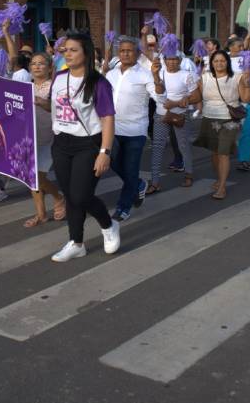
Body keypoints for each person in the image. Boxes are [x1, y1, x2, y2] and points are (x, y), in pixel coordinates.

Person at [45, 32, 119, 262]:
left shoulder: (99, 83)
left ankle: (109, 224)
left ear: (86, 53)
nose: (68, 53)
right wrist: (38, 103)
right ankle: (76, 243)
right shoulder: (59, 77)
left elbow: (107, 118)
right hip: (61, 143)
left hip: (88, 144)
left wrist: (104, 152)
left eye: (73, 49)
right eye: (65, 50)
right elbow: (55, 107)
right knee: (70, 195)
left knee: (80, 195)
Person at [103, 37, 161, 222]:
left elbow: (160, 97)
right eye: (122, 50)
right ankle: (138, 184)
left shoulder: (145, 74)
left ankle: (123, 207)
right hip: (112, 128)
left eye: (129, 50)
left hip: (136, 131)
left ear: (137, 53)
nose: (125, 53)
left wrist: (157, 77)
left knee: (131, 168)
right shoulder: (111, 74)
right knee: (111, 162)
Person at [193, 50, 250, 200]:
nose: (219, 64)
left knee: (223, 153)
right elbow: (197, 97)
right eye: (216, 61)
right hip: (209, 118)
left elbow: (247, 99)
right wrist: (187, 96)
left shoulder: (236, 78)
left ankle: (222, 186)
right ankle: (219, 178)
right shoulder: (204, 77)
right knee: (214, 152)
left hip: (229, 120)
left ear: (227, 62)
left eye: (222, 61)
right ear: (211, 63)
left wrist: (247, 85)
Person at [24, 52, 67, 227]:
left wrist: (44, 103)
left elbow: (62, 109)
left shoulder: (55, 87)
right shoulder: (25, 86)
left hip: (50, 137)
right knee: (30, 178)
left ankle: (58, 198)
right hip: (29, 137)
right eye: (33, 64)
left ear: (50, 68)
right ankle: (41, 214)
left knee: (38, 177)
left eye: (41, 63)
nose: (37, 67)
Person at [149, 47, 198, 191]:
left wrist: (181, 101)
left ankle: (189, 174)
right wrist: (156, 76)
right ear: (164, 61)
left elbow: (196, 96)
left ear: (180, 60)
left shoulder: (186, 75)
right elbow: (159, 91)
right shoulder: (158, 73)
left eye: (174, 59)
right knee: (157, 147)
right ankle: (155, 182)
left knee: (184, 146)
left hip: (180, 115)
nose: (171, 62)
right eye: (168, 59)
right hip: (161, 115)